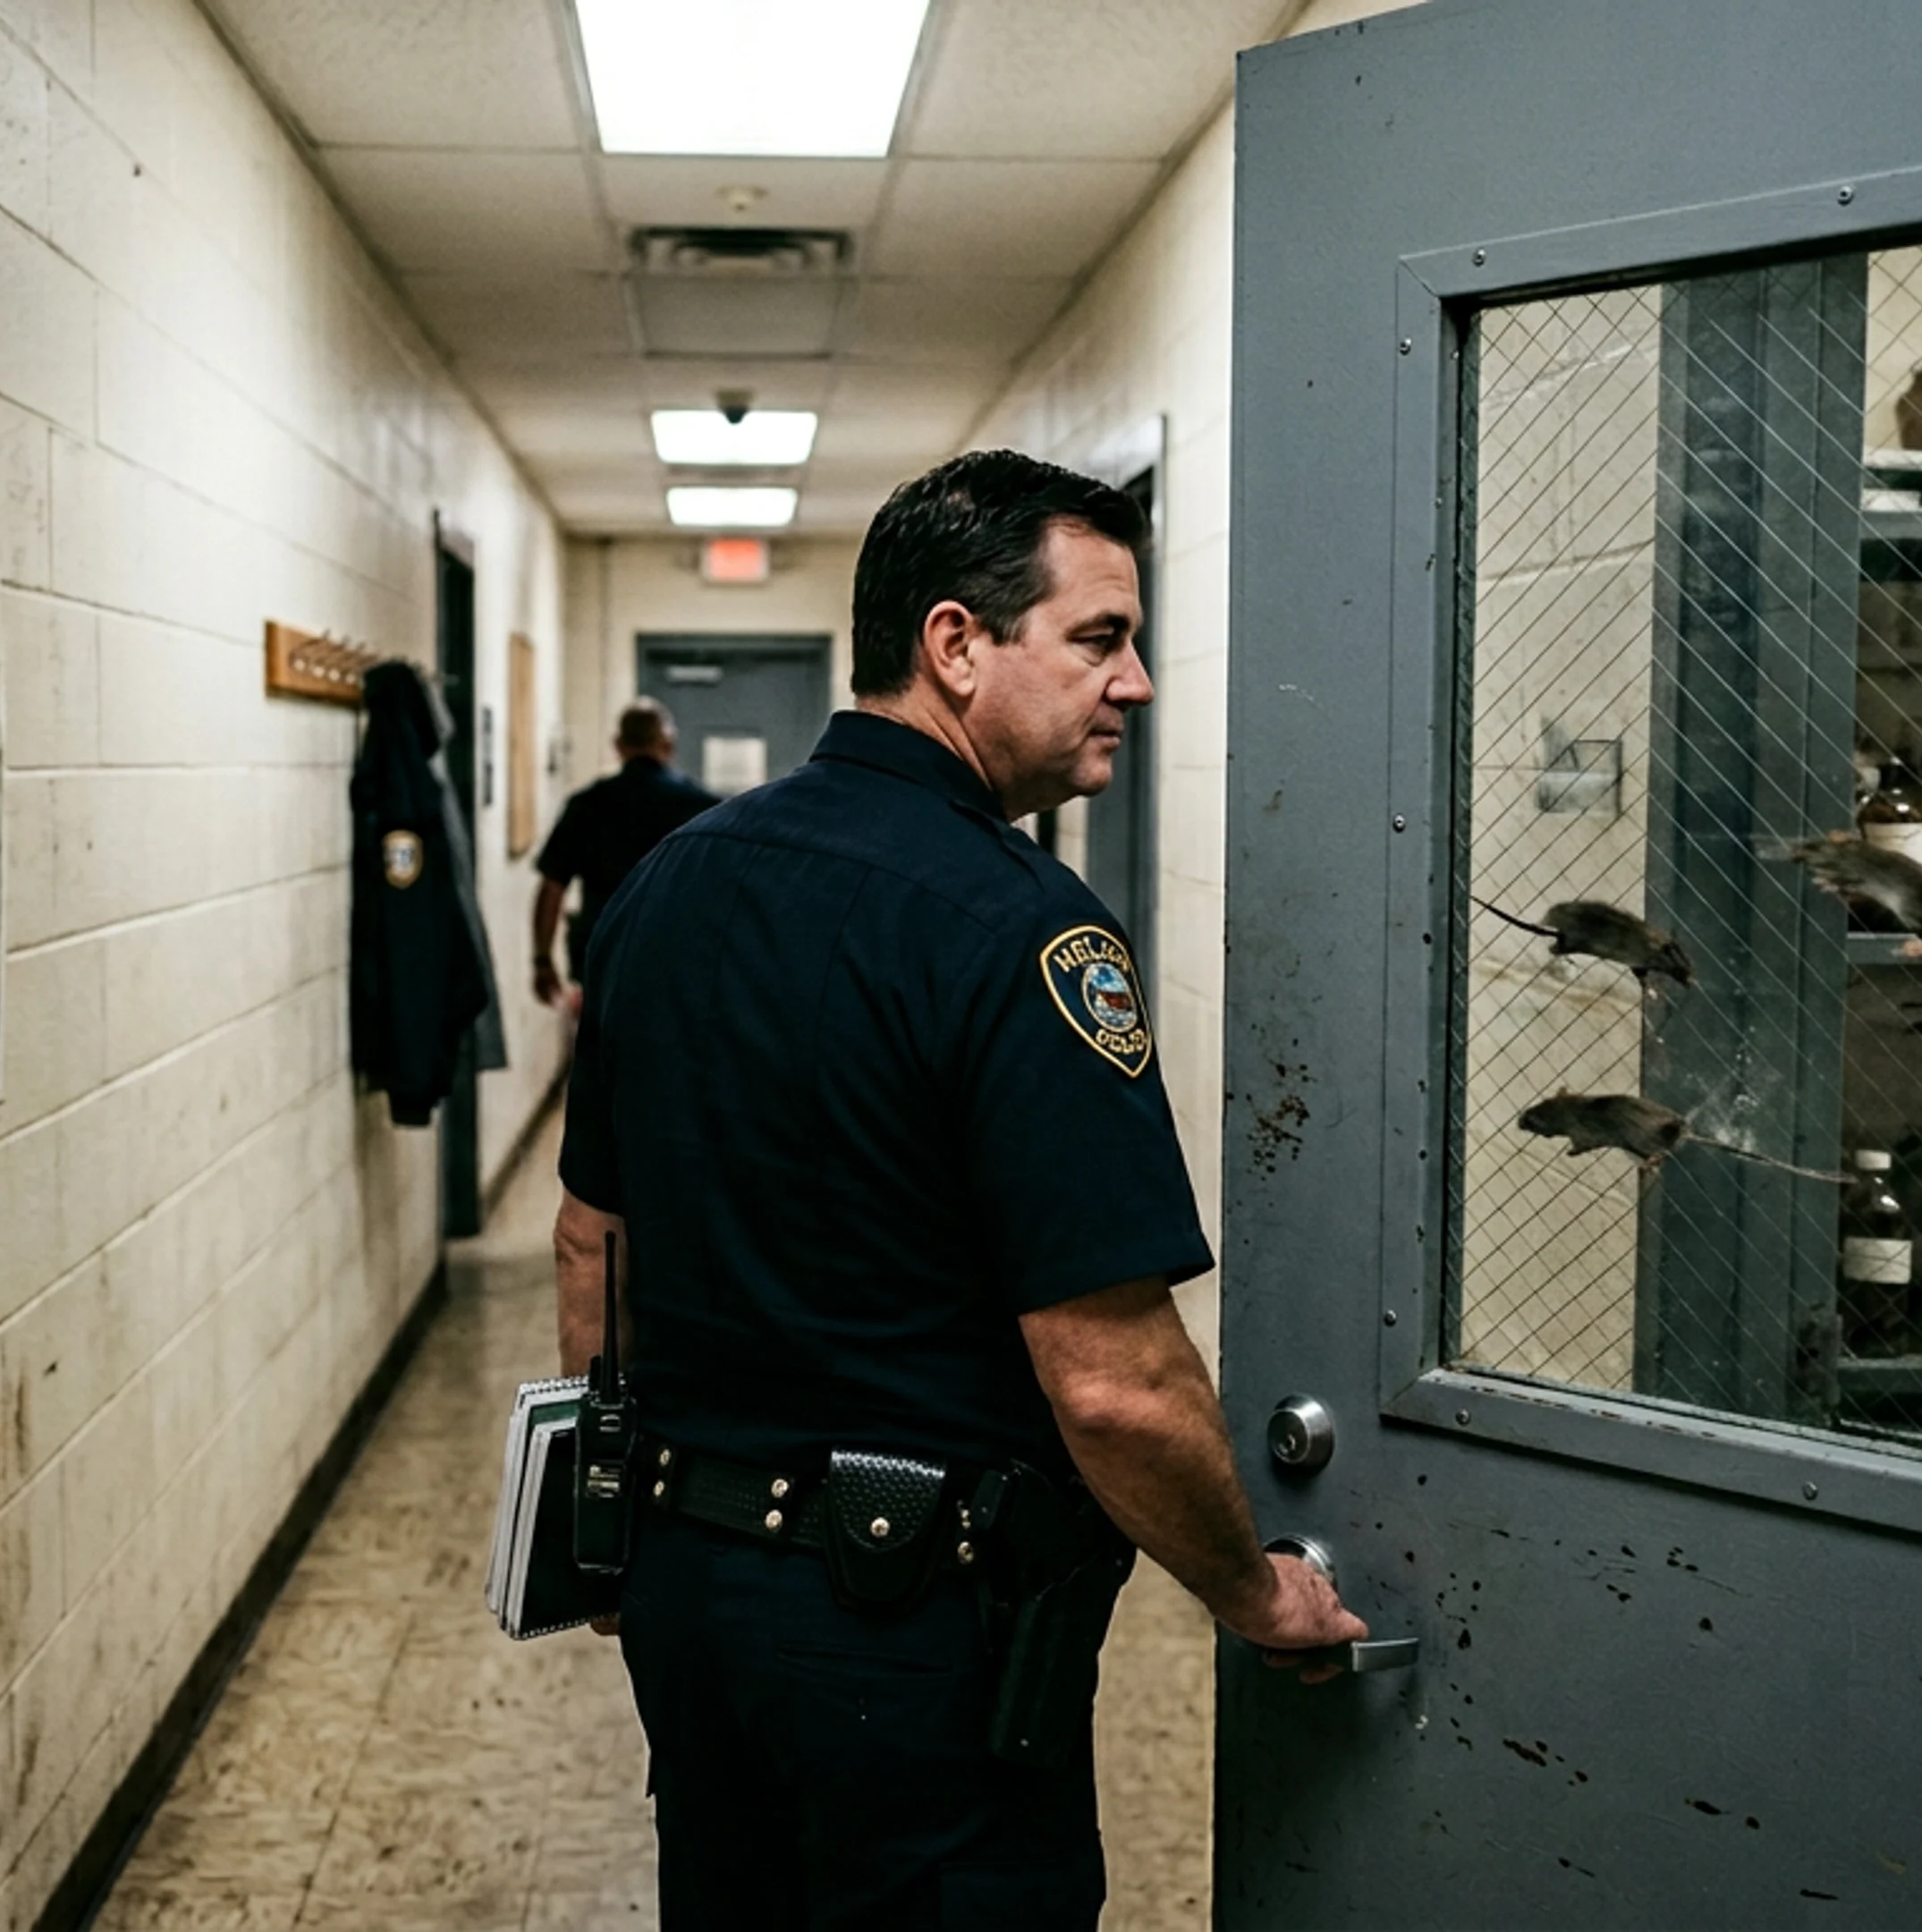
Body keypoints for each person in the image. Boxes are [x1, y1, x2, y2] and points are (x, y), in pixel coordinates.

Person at [553, 448, 1366, 1927]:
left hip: (687, 1593)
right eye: (1101, 639)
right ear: (954, 644)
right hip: (907, 1631)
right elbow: (1113, 1383)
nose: (1138, 685)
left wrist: (605, 1530)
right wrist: (1256, 1595)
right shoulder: (1025, 932)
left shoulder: (670, 884)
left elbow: (589, 1245)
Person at [530, 697, 718, 1006]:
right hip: (679, 956)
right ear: (669, 744)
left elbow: (552, 888)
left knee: (605, 1048)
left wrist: (542, 961)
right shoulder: (702, 808)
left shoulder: (586, 805)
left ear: (618, 745)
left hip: (604, 952)